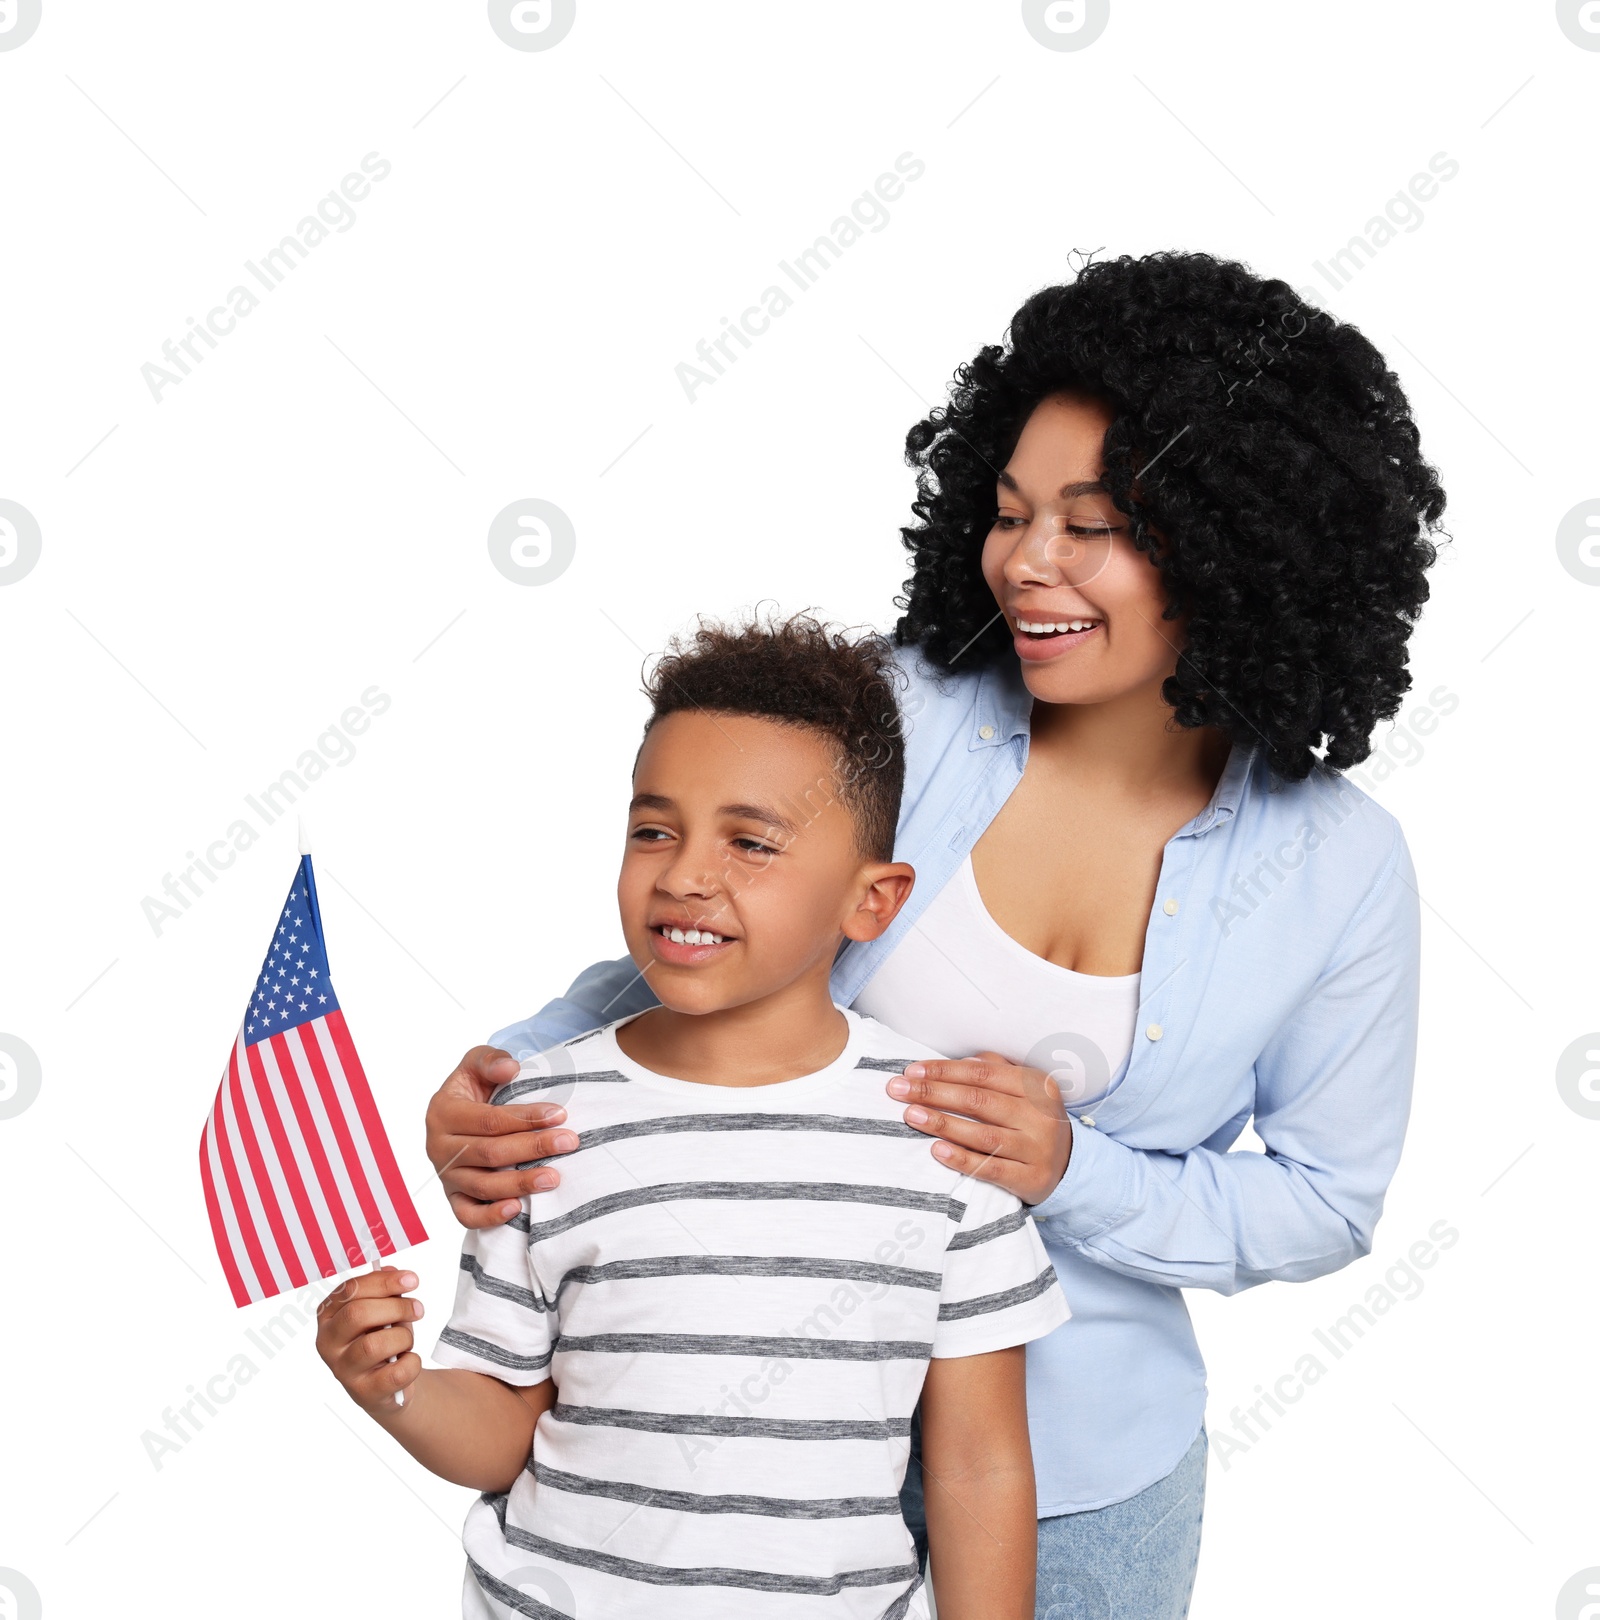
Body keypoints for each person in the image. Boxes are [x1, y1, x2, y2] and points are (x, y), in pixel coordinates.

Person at [422, 250, 1446, 1618]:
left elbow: (1325, 1201)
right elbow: (713, 944)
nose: (1027, 564)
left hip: (1085, 1480)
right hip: (746, 1448)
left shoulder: (1341, 870)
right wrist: (511, 1068)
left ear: (1237, 539)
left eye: (1093, 525)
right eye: (1012, 512)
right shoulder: (904, 716)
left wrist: (1073, 1169)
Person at [318, 615, 1069, 1619]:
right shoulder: (542, 1119)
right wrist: (394, 1386)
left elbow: (976, 1467)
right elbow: (500, 1431)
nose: (683, 874)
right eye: (653, 830)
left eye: (750, 842)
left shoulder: (941, 1139)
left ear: (871, 901)